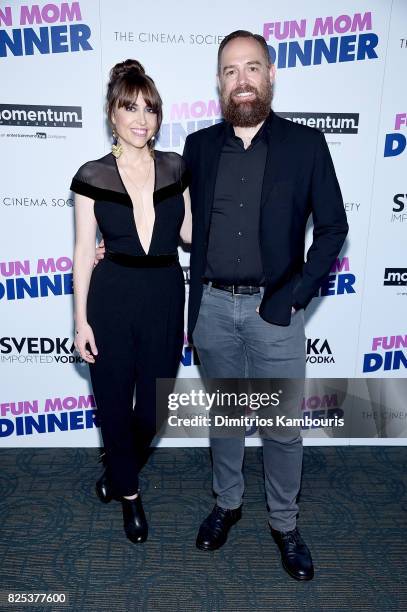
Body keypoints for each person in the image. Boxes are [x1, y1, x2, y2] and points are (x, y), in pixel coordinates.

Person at [182, 31, 348, 580]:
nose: (242, 80)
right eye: (231, 71)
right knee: (227, 418)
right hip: (211, 309)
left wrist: (293, 297)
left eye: (252, 67)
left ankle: (284, 522)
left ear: (271, 74)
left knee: (279, 426)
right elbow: (179, 225)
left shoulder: (306, 144)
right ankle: (227, 505)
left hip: (273, 312)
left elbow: (332, 229)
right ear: (219, 82)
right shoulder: (199, 147)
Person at [71, 59, 191, 544]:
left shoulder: (177, 167)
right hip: (113, 296)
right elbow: (83, 250)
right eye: (130, 108)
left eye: (150, 109)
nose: (141, 118)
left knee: (155, 409)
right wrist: (80, 320)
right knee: (115, 404)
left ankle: (117, 469)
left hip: (165, 292)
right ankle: (130, 495)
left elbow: (187, 232)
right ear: (112, 115)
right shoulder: (91, 175)